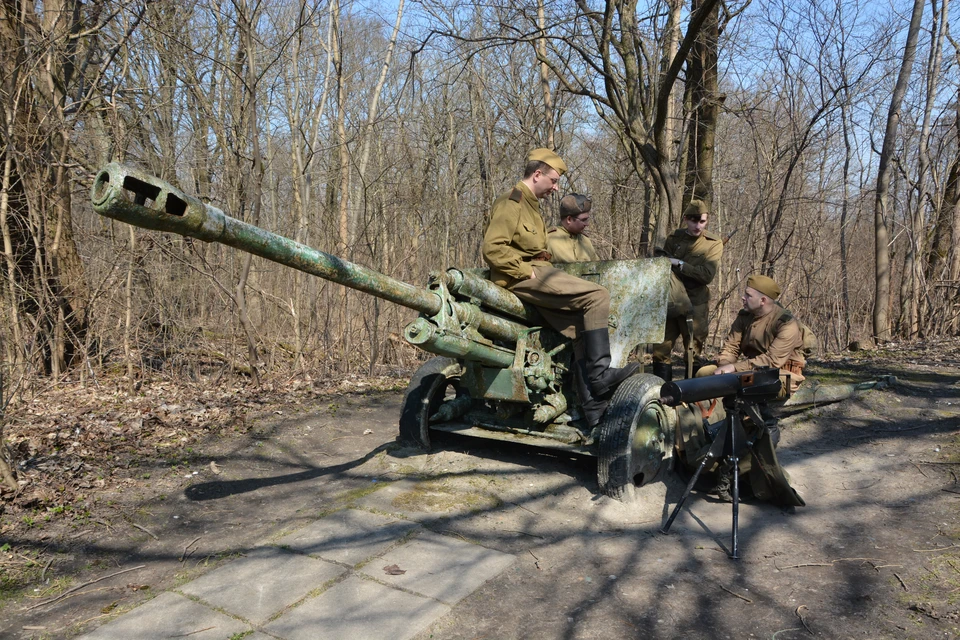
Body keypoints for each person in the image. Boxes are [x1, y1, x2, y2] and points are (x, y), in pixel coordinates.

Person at [482, 149, 637, 427]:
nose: (555, 188)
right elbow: (493, 249)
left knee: (579, 329)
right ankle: (601, 375)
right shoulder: (511, 203)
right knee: (597, 295)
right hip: (522, 276)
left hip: (538, 272)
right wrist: (524, 270)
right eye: (553, 181)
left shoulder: (531, 205)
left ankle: (593, 410)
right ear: (537, 174)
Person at [650, 200, 723, 381]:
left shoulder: (713, 243)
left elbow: (706, 275)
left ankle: (691, 397)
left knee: (692, 351)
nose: (698, 226)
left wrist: (680, 264)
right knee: (660, 349)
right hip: (671, 301)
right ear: (685, 219)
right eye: (693, 221)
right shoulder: (674, 238)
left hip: (694, 302)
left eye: (702, 221)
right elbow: (662, 266)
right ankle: (661, 395)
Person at [698, 274, 806, 396]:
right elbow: (731, 348)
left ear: (763, 300)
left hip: (779, 376)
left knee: (743, 386)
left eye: (748, 295)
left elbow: (772, 361)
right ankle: (705, 412)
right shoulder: (744, 316)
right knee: (704, 374)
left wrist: (734, 368)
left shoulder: (786, 324)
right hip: (749, 371)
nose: (743, 298)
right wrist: (724, 368)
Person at [547, 193, 600, 263]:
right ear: (569, 219)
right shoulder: (549, 240)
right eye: (583, 220)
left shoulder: (585, 240)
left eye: (587, 219)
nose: (587, 224)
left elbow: (597, 268)